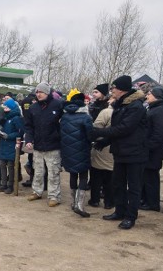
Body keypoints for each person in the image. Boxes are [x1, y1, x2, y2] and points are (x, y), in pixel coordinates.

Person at [89, 75, 147, 230]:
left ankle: (130, 217)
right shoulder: (120, 105)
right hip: (120, 151)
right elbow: (119, 130)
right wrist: (105, 141)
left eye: (113, 88)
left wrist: (99, 132)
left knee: (133, 187)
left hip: (135, 153)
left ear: (121, 89)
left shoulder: (135, 106)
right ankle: (119, 211)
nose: (111, 91)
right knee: (118, 184)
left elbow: (125, 129)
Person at [23, 83, 64, 207]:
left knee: (53, 172)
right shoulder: (33, 108)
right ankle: (37, 191)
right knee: (38, 171)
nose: (38, 94)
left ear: (47, 93)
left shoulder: (58, 105)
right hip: (38, 145)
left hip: (53, 145)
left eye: (41, 92)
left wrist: (59, 137)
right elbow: (29, 126)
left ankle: (54, 196)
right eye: (37, 92)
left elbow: (64, 124)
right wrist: (29, 140)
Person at [60, 89, 93, 218]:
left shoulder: (64, 116)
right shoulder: (86, 117)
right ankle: (79, 204)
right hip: (82, 149)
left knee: (73, 174)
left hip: (67, 150)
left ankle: (73, 202)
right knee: (83, 176)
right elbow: (90, 135)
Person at [141, 86, 163, 211]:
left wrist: (149, 146)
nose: (147, 96)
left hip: (154, 150)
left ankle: (152, 203)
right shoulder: (155, 108)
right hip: (151, 148)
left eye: (150, 94)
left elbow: (159, 132)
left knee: (151, 176)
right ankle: (145, 200)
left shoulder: (161, 110)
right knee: (146, 175)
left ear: (156, 96)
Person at [89, 97, 115, 210]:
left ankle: (95, 200)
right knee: (110, 178)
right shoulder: (127, 113)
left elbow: (96, 127)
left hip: (102, 147)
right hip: (115, 149)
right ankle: (109, 202)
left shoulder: (107, 112)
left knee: (96, 176)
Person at [0, 98, 25, 194]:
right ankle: (3, 184)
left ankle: (10, 185)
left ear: (11, 107)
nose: (4, 108)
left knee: (11, 166)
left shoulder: (16, 118)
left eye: (6, 106)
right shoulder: (5, 117)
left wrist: (8, 136)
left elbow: (20, 132)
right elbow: (2, 127)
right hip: (3, 144)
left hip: (12, 145)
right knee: (2, 164)